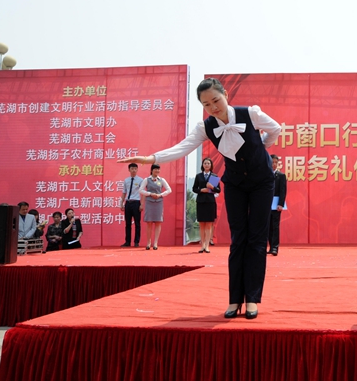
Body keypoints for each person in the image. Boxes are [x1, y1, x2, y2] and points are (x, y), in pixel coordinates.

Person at [118, 77, 281, 320]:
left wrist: (261, 148)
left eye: (216, 100)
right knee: (238, 238)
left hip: (262, 182)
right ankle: (235, 299)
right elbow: (182, 148)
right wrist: (151, 159)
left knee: (257, 238)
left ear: (226, 95)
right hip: (235, 184)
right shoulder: (205, 127)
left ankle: (253, 300)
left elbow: (275, 129)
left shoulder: (250, 113)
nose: (213, 107)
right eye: (206, 104)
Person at [139, 164, 172, 250]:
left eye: (158, 169)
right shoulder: (146, 180)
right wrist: (150, 194)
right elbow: (141, 190)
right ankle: (148, 242)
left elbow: (169, 190)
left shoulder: (161, 180)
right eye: (155, 169)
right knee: (149, 222)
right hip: (149, 202)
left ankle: (156, 243)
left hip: (159, 202)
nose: (157, 171)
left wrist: (160, 195)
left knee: (158, 222)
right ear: (151, 170)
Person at [193, 157, 220, 253]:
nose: (207, 165)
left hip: (210, 202)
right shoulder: (198, 176)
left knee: (209, 224)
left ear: (211, 165)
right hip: (201, 202)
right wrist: (201, 190)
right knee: (201, 224)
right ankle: (202, 245)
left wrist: (212, 187)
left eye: (208, 163)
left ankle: (207, 245)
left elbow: (219, 190)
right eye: (205, 163)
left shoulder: (214, 176)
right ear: (203, 165)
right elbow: (194, 188)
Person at [120, 162, 144, 247]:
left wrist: (142, 204)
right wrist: (121, 203)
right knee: (128, 224)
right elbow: (124, 192)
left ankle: (136, 242)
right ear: (129, 170)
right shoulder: (126, 180)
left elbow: (143, 193)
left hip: (136, 203)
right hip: (128, 203)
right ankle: (127, 242)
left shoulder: (141, 180)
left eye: (135, 169)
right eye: (132, 169)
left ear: (137, 170)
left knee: (137, 223)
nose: (134, 170)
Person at [267, 154, 287, 256]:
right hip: (266, 204)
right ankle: (270, 246)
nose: (274, 164)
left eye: (276, 162)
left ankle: (275, 247)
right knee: (268, 226)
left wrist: (280, 204)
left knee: (275, 226)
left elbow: (283, 191)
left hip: (276, 204)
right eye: (272, 162)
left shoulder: (281, 176)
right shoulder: (265, 175)